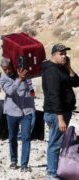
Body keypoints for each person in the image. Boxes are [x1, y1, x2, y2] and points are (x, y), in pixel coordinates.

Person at [41, 44, 79, 179]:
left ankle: (53, 169)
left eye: (65, 54)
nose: (64, 56)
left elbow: (76, 82)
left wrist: (68, 67)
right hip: (56, 113)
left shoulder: (61, 69)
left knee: (56, 142)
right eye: (61, 54)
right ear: (53, 55)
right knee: (55, 144)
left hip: (62, 112)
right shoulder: (52, 71)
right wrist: (60, 118)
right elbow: (54, 95)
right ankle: (51, 174)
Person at [0, 57, 35, 172]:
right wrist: (19, 80)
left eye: (8, 68)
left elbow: (30, 89)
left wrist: (24, 79)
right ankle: (13, 161)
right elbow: (10, 91)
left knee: (26, 138)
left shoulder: (23, 73)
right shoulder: (3, 79)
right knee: (12, 137)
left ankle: (24, 165)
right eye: (4, 69)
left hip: (27, 110)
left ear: (13, 66)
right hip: (12, 111)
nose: (7, 71)